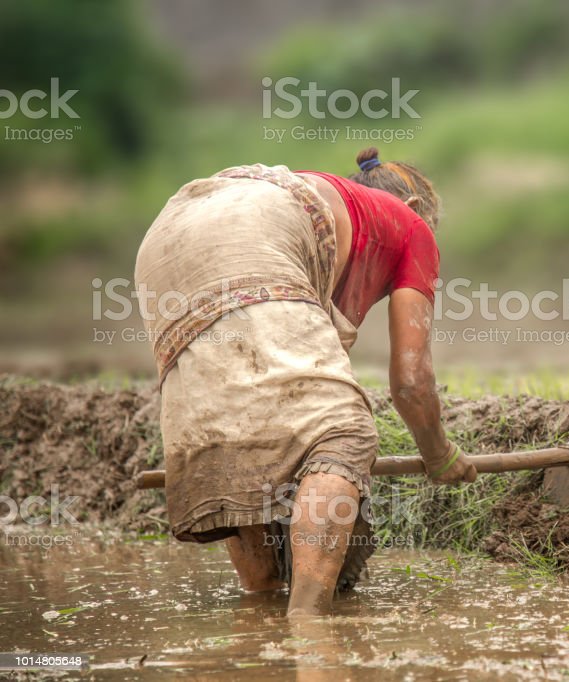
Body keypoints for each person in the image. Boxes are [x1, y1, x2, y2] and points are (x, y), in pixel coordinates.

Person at [134, 147, 477, 617]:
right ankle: (307, 623)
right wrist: (439, 455)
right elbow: (412, 382)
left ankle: (261, 600)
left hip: (166, 240)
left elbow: (282, 388)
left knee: (240, 435)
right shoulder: (409, 225)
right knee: (343, 432)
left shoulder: (332, 208)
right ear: (414, 210)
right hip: (252, 234)